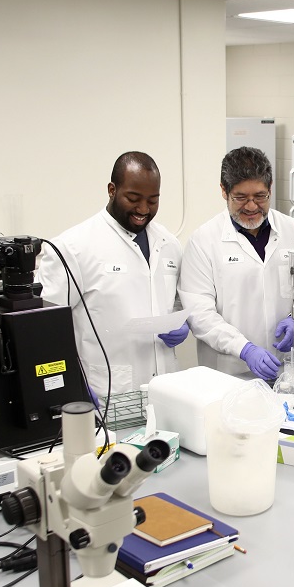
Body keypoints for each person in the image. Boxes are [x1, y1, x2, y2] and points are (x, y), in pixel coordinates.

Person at [38, 151, 189, 401]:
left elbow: (175, 303)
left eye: (153, 200)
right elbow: (48, 328)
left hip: (165, 390)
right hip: (106, 391)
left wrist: (179, 323)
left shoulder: (169, 244)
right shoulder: (73, 247)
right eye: (133, 198)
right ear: (112, 190)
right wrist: (72, 384)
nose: (143, 209)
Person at [179, 146, 294, 381]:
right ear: (223, 191)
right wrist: (244, 349)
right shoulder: (203, 241)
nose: (251, 206)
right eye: (240, 198)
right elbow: (200, 314)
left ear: (270, 189)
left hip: (288, 371)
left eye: (260, 196)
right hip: (228, 374)